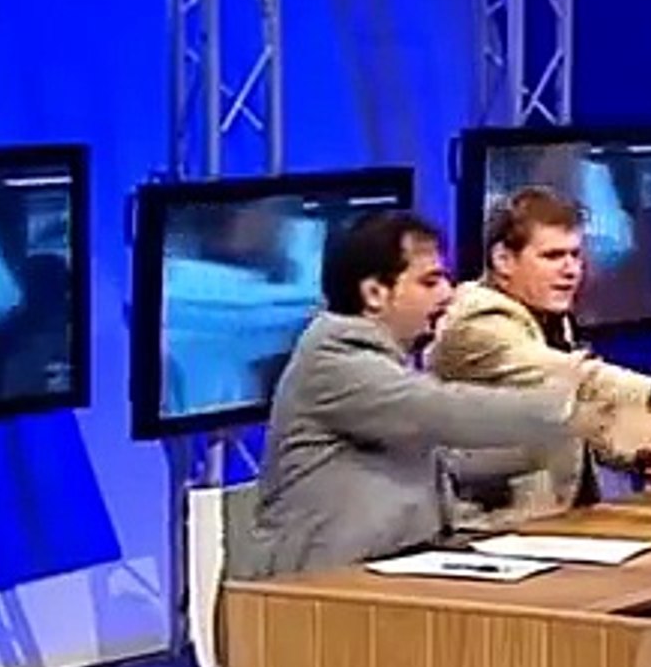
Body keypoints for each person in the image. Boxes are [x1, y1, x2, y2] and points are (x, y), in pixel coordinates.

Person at [235, 210, 584, 580]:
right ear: (374, 293)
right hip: (311, 590)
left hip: (386, 577)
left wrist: (553, 443)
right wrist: (562, 402)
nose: (447, 294)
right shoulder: (334, 361)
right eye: (429, 281)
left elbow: (444, 460)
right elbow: (444, 411)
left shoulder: (387, 360)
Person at [430, 186, 651, 527]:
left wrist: (636, 451)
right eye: (553, 256)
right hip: (492, 530)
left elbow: (574, 415)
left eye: (575, 255)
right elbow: (576, 378)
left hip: (556, 522)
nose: (572, 270)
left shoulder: (550, 319)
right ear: (503, 260)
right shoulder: (476, 322)